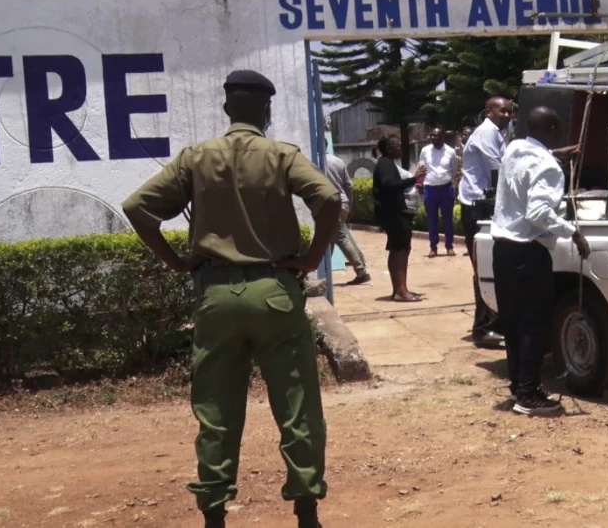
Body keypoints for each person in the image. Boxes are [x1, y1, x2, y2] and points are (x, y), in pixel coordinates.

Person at [121, 69, 341, 528]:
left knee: (216, 410)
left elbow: (137, 208)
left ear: (226, 108)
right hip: (276, 293)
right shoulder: (281, 155)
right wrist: (309, 259)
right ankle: (306, 512)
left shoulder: (195, 159)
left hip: (216, 295)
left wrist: (178, 263)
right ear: (267, 110)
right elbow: (328, 199)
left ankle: (215, 515)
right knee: (297, 405)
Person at [491, 106, 591, 416]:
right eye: (557, 128)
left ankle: (520, 385)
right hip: (528, 251)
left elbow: (532, 157)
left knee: (513, 324)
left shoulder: (514, 148)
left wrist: (557, 152)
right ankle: (528, 395)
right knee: (533, 325)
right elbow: (538, 214)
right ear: (550, 128)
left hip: (503, 250)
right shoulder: (548, 167)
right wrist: (573, 232)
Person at [458, 98, 514, 348]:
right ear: (489, 111)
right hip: (476, 208)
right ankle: (483, 328)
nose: (507, 114)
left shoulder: (497, 133)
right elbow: (501, 168)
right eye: (502, 110)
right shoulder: (486, 133)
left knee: (496, 267)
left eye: (510, 110)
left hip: (486, 207)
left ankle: (497, 322)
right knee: (483, 268)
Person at [373, 134, 426, 302]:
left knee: (398, 249)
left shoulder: (387, 164)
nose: (400, 149)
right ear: (390, 149)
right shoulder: (385, 165)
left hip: (393, 213)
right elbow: (390, 186)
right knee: (401, 251)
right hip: (394, 213)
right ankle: (401, 291)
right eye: (397, 146)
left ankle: (399, 289)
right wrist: (414, 179)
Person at [323, 141, 370, 285]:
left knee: (339, 237)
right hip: (342, 203)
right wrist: (350, 205)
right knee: (328, 239)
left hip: (330, 204)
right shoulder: (338, 161)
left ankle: (361, 271)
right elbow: (348, 185)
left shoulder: (316, 162)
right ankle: (323, 272)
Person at [418, 127, 458, 258]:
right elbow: (422, 168)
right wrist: (420, 184)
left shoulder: (451, 152)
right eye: (432, 136)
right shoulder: (425, 151)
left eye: (436, 136)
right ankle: (433, 247)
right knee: (432, 219)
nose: (434, 138)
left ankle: (449, 246)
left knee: (448, 219)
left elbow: (454, 170)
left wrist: (447, 181)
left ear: (442, 137)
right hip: (430, 189)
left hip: (446, 189)